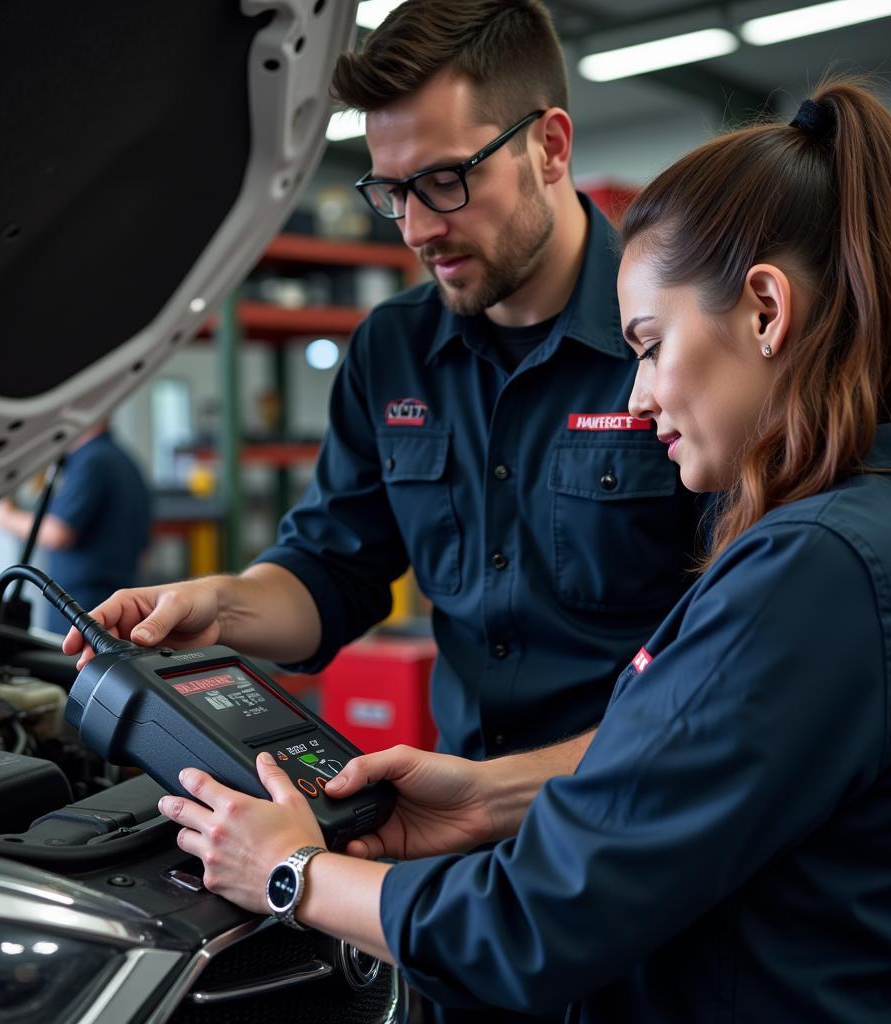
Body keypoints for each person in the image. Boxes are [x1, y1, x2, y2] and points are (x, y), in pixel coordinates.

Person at [153, 80, 891, 1022]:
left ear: (765, 311)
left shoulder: (811, 566)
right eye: (391, 193)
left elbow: (541, 916)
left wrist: (292, 872)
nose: (636, 398)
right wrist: (494, 798)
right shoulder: (843, 528)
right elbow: (700, 754)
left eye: (654, 345)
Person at [66, 0, 700, 767]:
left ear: (550, 147)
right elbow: (335, 570)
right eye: (392, 192)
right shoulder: (391, 349)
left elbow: (744, 648)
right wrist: (216, 605)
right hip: (463, 813)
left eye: (443, 181)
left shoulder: (678, 334)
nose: (415, 229)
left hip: (648, 804)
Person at [0, 421, 151, 631]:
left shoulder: (92, 460)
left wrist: (7, 517)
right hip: (115, 598)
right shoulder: (124, 459)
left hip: (81, 604)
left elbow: (59, 531)